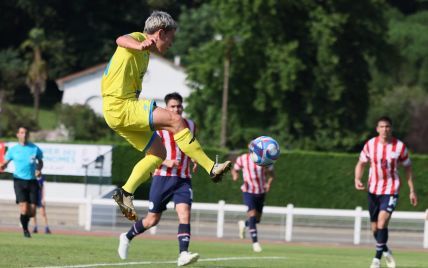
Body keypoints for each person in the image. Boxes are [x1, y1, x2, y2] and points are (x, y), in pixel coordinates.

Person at [101, 10, 231, 222]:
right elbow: (120, 39)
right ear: (160, 33)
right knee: (175, 120)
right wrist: (138, 45)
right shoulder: (139, 39)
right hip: (121, 106)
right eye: (171, 38)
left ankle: (125, 193)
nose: (172, 43)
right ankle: (211, 167)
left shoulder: (146, 53)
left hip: (115, 112)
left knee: (158, 152)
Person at [118, 92, 199, 266]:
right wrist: (166, 161)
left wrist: (194, 158)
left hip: (183, 179)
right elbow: (150, 155)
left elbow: (191, 145)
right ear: (166, 108)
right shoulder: (157, 127)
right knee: (152, 220)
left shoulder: (191, 125)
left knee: (184, 214)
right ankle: (126, 236)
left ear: (182, 107)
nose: (176, 109)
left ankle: (183, 254)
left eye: (178, 106)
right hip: (162, 178)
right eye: (172, 106)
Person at [354, 116, 418, 268]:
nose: (385, 129)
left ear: (391, 128)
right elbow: (361, 163)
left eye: (387, 126)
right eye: (382, 127)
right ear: (377, 129)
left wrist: (412, 190)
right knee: (375, 229)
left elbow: (408, 168)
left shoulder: (399, 147)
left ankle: (376, 261)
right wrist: (357, 178)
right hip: (373, 190)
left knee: (382, 223)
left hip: (391, 189)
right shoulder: (370, 145)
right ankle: (385, 250)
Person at [0, 127, 43, 238]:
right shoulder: (13, 150)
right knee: (24, 207)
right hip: (19, 180)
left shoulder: (34, 148)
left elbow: (40, 161)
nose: (24, 135)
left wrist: (39, 169)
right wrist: (3, 166)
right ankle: (25, 230)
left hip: (32, 181)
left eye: (26, 133)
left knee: (32, 211)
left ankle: (24, 220)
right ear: (18, 135)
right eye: (22, 133)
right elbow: (5, 162)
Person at [231, 148, 275, 253]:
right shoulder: (242, 158)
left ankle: (244, 224)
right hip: (248, 191)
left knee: (257, 220)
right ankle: (255, 243)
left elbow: (272, 174)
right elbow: (235, 169)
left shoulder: (264, 159)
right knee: (252, 215)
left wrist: (269, 183)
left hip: (260, 192)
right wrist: (235, 175)